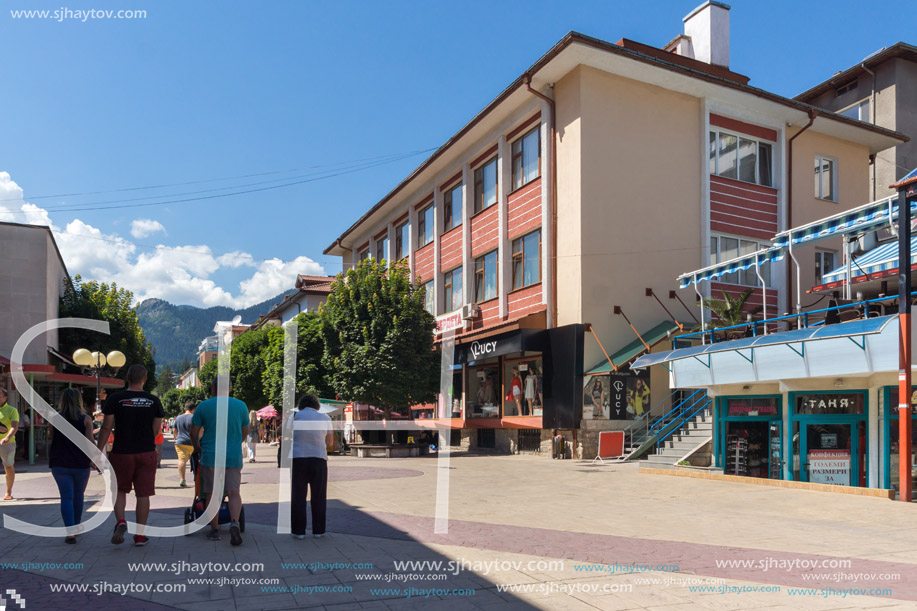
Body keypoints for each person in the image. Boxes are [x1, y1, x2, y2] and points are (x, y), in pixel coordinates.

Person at [97, 365, 164, 547]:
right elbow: (156, 429)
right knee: (143, 494)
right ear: (145, 378)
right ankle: (140, 536)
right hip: (146, 451)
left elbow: (106, 427)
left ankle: (121, 522)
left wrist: (97, 451)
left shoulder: (115, 399)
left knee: (119, 490)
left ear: (127, 377)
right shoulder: (154, 400)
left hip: (121, 452)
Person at [190, 376, 248, 546]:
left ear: (213, 388)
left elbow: (194, 432)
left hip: (211, 454)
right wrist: (235, 443)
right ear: (229, 389)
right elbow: (245, 431)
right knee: (234, 492)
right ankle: (235, 522)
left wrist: (197, 447)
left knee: (213, 494)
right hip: (232, 455)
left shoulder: (204, 406)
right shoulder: (241, 406)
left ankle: (214, 530)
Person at [49, 388, 95, 543]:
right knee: (78, 495)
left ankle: (70, 532)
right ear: (79, 401)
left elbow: (52, 438)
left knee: (66, 497)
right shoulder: (86, 419)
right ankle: (76, 526)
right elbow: (89, 441)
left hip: (59, 463)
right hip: (80, 462)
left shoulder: (54, 417)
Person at [288, 394, 332, 540]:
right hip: (318, 458)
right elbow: (330, 442)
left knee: (298, 495)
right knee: (318, 495)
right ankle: (318, 530)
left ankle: (299, 531)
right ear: (316, 405)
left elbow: (284, 433)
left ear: (301, 404)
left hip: (298, 458)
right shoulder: (325, 418)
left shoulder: (294, 416)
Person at [0, 388, 19, 501]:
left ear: (5, 398)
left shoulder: (12, 410)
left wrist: (7, 437)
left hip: (8, 445)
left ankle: (8, 492)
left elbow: (14, 426)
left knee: (9, 467)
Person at [172, 401, 196, 487]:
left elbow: (174, 429)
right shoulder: (194, 417)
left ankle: (182, 479)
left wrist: (176, 437)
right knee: (197, 461)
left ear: (184, 409)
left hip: (180, 442)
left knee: (182, 460)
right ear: (193, 409)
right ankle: (197, 479)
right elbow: (200, 430)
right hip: (193, 443)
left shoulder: (178, 418)